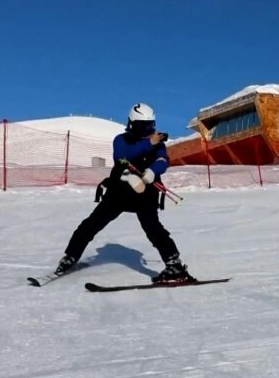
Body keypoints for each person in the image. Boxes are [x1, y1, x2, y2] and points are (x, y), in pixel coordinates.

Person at [54, 103, 194, 283]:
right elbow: (121, 157)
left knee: (153, 228)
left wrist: (153, 171)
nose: (148, 130)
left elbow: (163, 160)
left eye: (150, 125)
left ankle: (175, 266)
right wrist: (148, 143)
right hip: (119, 192)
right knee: (92, 224)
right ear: (132, 124)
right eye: (143, 126)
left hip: (145, 192)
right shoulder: (120, 140)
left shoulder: (158, 142)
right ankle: (70, 257)